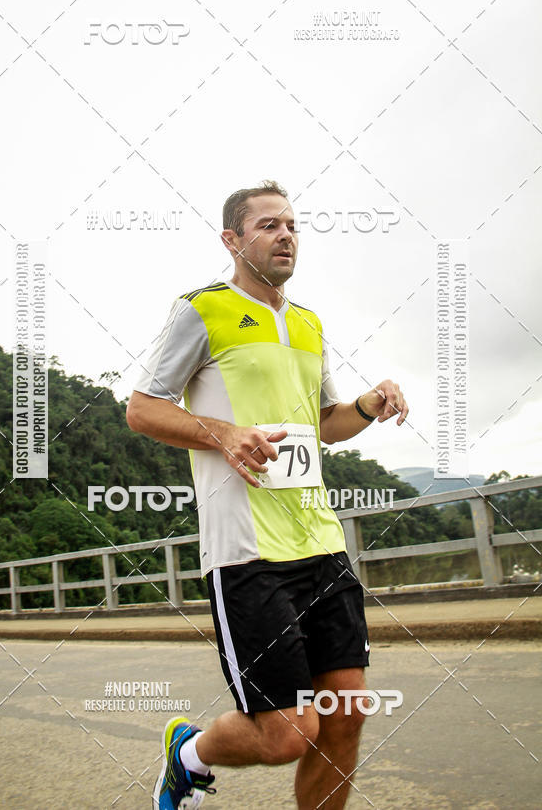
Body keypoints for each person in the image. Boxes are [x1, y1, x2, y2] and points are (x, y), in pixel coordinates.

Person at [126, 180, 409, 809]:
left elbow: (325, 424)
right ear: (232, 239)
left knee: (345, 716)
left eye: (292, 225)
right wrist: (223, 433)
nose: (286, 235)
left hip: (320, 542)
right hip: (247, 554)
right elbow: (143, 410)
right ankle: (188, 754)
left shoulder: (308, 323)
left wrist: (365, 404)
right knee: (286, 734)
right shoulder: (201, 309)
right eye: (268, 225)